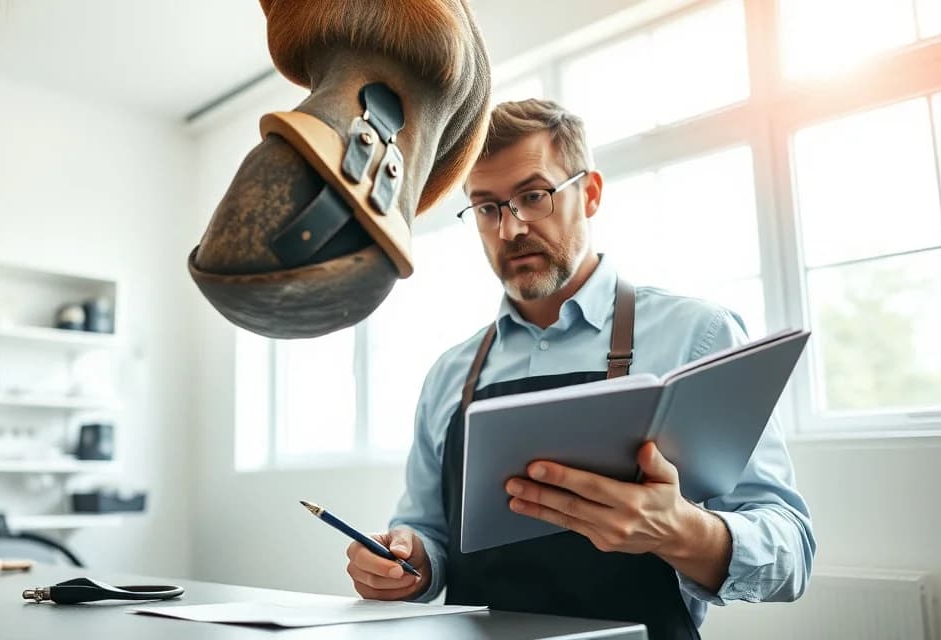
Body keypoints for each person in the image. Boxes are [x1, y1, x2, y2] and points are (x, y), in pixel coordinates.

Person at [343, 99, 816, 639]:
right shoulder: (448, 374)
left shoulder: (700, 336)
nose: (510, 229)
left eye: (533, 197)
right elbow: (426, 533)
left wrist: (680, 530)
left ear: (589, 193)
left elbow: (791, 551)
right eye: (487, 208)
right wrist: (406, 563)